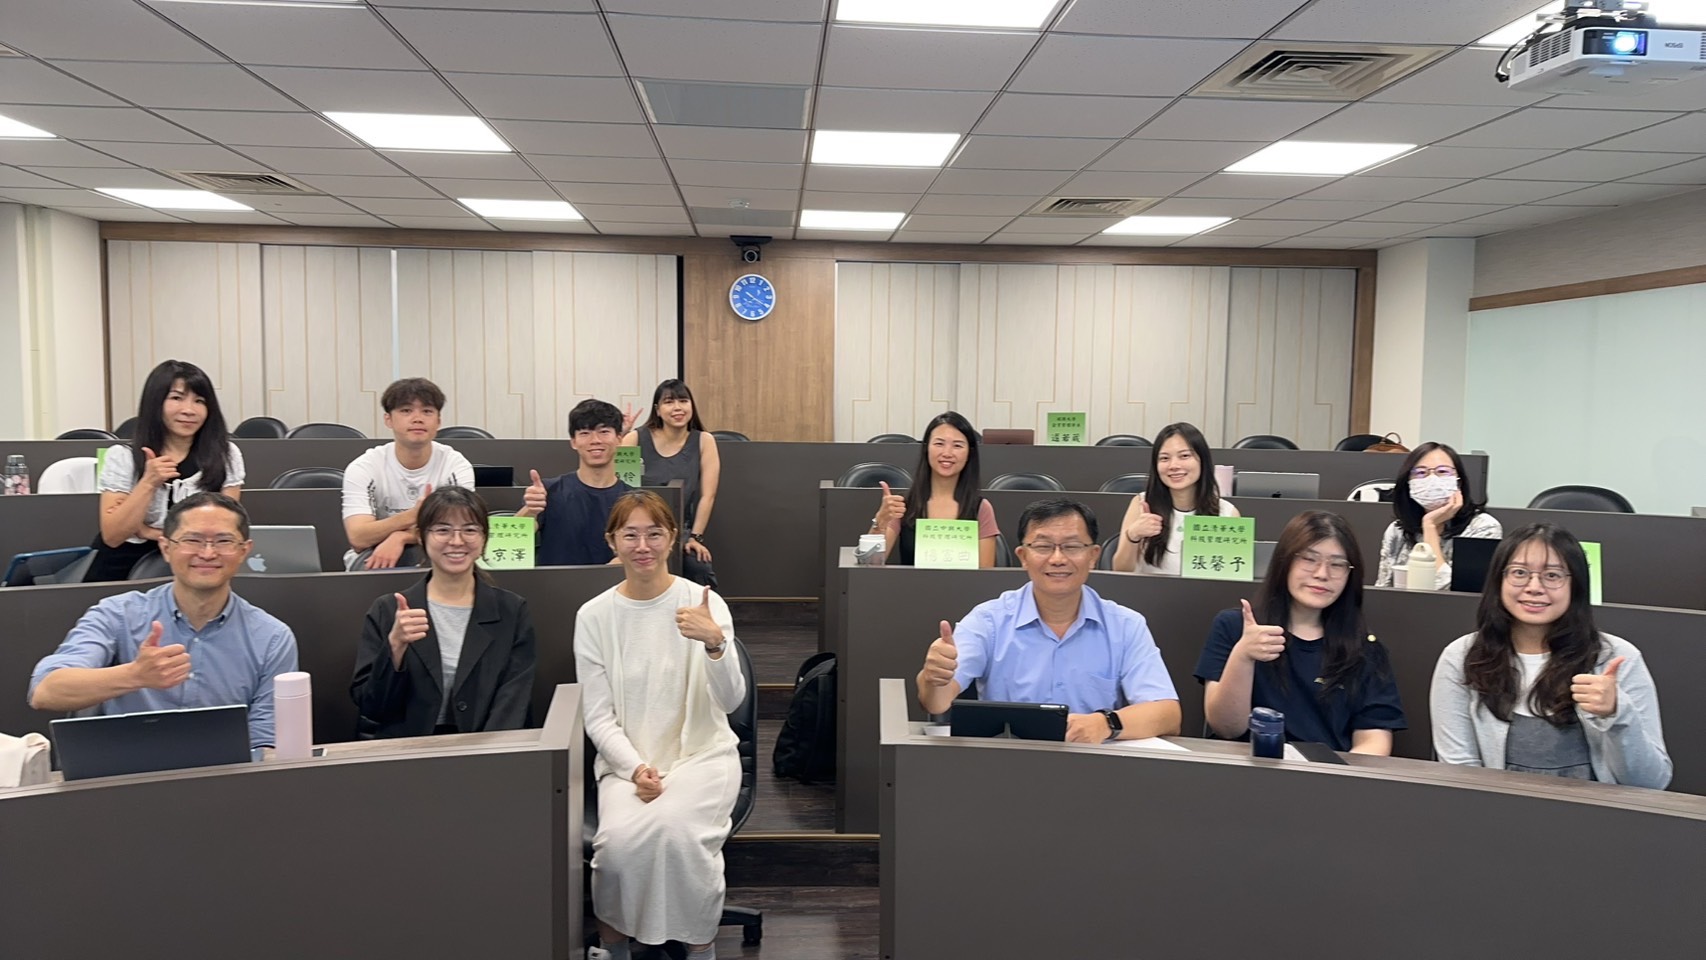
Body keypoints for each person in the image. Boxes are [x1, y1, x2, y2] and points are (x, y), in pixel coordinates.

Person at [574, 491, 744, 960]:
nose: (643, 545)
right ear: (612, 541)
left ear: (672, 538)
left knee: (679, 836)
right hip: (627, 763)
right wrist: (634, 769)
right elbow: (598, 715)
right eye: (630, 534)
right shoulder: (594, 616)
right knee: (616, 849)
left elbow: (731, 701)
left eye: (654, 533)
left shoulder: (703, 603)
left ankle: (700, 949)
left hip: (703, 757)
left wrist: (715, 645)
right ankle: (614, 951)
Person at [29, 493, 298, 749]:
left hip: (225, 775)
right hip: (125, 772)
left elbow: (266, 739)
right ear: (166, 548)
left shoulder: (272, 637)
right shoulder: (118, 614)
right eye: (192, 540)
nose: (207, 553)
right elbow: (45, 691)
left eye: (223, 541)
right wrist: (134, 675)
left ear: (244, 551)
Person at [917, 498, 1180, 742]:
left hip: (1093, 763)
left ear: (1093, 556)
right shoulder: (988, 621)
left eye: (1072, 546)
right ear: (1023, 556)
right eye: (1043, 547)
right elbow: (936, 703)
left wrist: (1105, 723)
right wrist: (934, 678)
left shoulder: (1125, 625)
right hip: (1009, 762)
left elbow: (1168, 713)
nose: (1057, 559)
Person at [1430, 523, 1670, 788]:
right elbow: (1459, 773)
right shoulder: (1462, 657)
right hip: (1493, 809)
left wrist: (1618, 714)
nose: (1534, 587)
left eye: (1552, 575)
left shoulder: (1616, 658)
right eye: (1519, 573)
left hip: (1596, 812)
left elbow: (1652, 783)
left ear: (1576, 585)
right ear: (1499, 581)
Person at [1195, 511, 1404, 754]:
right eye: (1309, 559)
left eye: (1337, 564)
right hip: (1248, 769)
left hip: (1328, 773)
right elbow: (1226, 728)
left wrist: (1332, 774)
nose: (1322, 574)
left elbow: (1374, 741)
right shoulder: (1234, 627)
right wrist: (1243, 655)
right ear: (1285, 562)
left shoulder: (1366, 649)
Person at [350, 487, 536, 738]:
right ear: (421, 537)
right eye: (442, 530)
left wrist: (488, 753)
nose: (457, 541)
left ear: (484, 538)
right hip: (408, 749)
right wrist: (395, 648)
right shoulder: (388, 610)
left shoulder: (511, 610)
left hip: (487, 747)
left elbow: (513, 701)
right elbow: (371, 706)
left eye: (470, 530)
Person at [89, 359, 244, 582]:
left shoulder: (226, 454)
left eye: (199, 401)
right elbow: (113, 536)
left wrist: (148, 531)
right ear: (155, 402)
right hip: (122, 568)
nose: (189, 410)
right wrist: (149, 482)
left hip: (197, 563)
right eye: (176, 398)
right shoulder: (122, 456)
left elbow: (225, 525)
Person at [341, 377, 475, 571]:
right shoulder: (364, 467)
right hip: (372, 557)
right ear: (388, 419)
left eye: (427, 411)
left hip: (440, 555)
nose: (417, 418)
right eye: (406, 411)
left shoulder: (455, 464)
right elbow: (359, 537)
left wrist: (401, 536)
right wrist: (414, 515)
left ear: (438, 421)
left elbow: (460, 531)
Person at [621, 379, 722, 587]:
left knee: (699, 566)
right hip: (638, 529)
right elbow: (622, 490)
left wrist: (695, 537)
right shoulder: (634, 439)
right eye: (669, 402)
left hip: (679, 531)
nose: (677, 407)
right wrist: (620, 438)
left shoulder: (704, 440)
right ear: (657, 410)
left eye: (683, 401)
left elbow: (708, 495)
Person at [867, 411, 1000, 567]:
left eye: (957, 445)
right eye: (939, 444)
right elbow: (870, 564)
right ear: (926, 448)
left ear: (969, 453)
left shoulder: (980, 508)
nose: (947, 453)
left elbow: (985, 574)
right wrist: (880, 521)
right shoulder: (903, 506)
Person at [1109, 422, 1239, 575]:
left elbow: (1232, 575)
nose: (1174, 465)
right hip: (1149, 590)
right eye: (1164, 458)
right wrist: (1133, 535)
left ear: (1202, 460)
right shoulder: (1142, 504)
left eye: (1184, 456)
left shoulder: (1227, 513)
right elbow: (1120, 570)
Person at [1375, 441, 1501, 589]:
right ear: (1408, 483)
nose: (1432, 479)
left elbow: (1452, 594)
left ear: (1459, 482)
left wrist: (1430, 526)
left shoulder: (1484, 527)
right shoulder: (1397, 530)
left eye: (1442, 471)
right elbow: (1382, 589)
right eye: (1421, 473)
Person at [521, 399, 631, 566]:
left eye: (604, 432)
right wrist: (530, 510)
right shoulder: (548, 491)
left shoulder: (632, 499)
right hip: (555, 582)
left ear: (619, 439)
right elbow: (510, 543)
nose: (595, 440)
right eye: (585, 433)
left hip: (614, 581)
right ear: (573, 442)